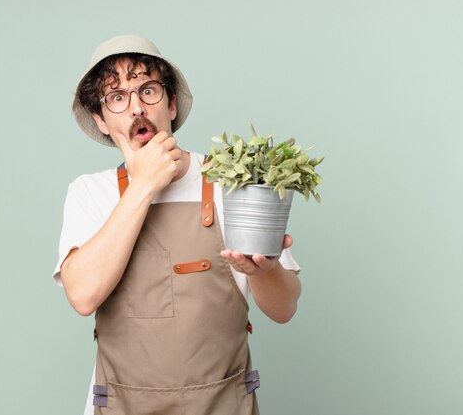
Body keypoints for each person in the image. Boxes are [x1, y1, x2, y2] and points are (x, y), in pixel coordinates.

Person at [53, 35, 302, 415]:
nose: (136, 108)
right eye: (117, 97)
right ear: (101, 120)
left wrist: (264, 271)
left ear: (170, 103)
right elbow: (83, 296)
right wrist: (145, 184)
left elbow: (284, 308)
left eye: (148, 90)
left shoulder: (230, 183)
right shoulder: (90, 192)